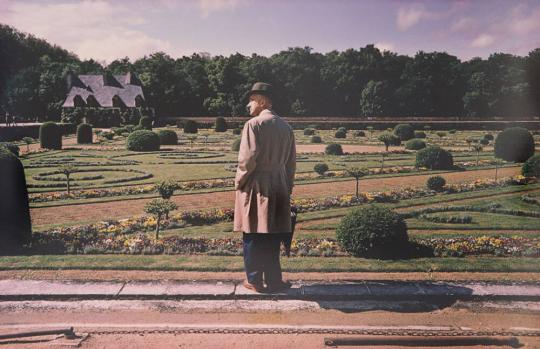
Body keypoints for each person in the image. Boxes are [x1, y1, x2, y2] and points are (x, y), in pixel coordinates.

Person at [234, 82, 296, 293]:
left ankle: (254, 280)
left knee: (252, 232)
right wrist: (287, 186)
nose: (248, 105)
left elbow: (247, 160)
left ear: (261, 101)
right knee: (272, 235)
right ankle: (274, 280)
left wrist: (239, 181)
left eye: (251, 100)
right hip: (279, 183)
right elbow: (291, 164)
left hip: (257, 183)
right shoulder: (286, 127)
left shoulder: (253, 125)